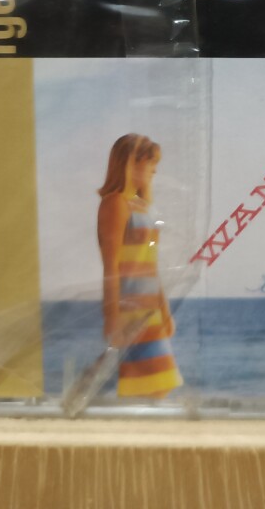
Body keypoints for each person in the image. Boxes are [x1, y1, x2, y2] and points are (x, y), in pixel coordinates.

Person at [97, 133, 183, 398]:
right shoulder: (115, 204)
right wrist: (112, 317)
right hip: (131, 311)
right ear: (130, 163)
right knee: (153, 385)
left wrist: (165, 311)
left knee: (155, 385)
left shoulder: (142, 208)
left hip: (149, 310)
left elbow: (150, 267)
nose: (154, 171)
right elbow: (111, 266)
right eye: (150, 164)